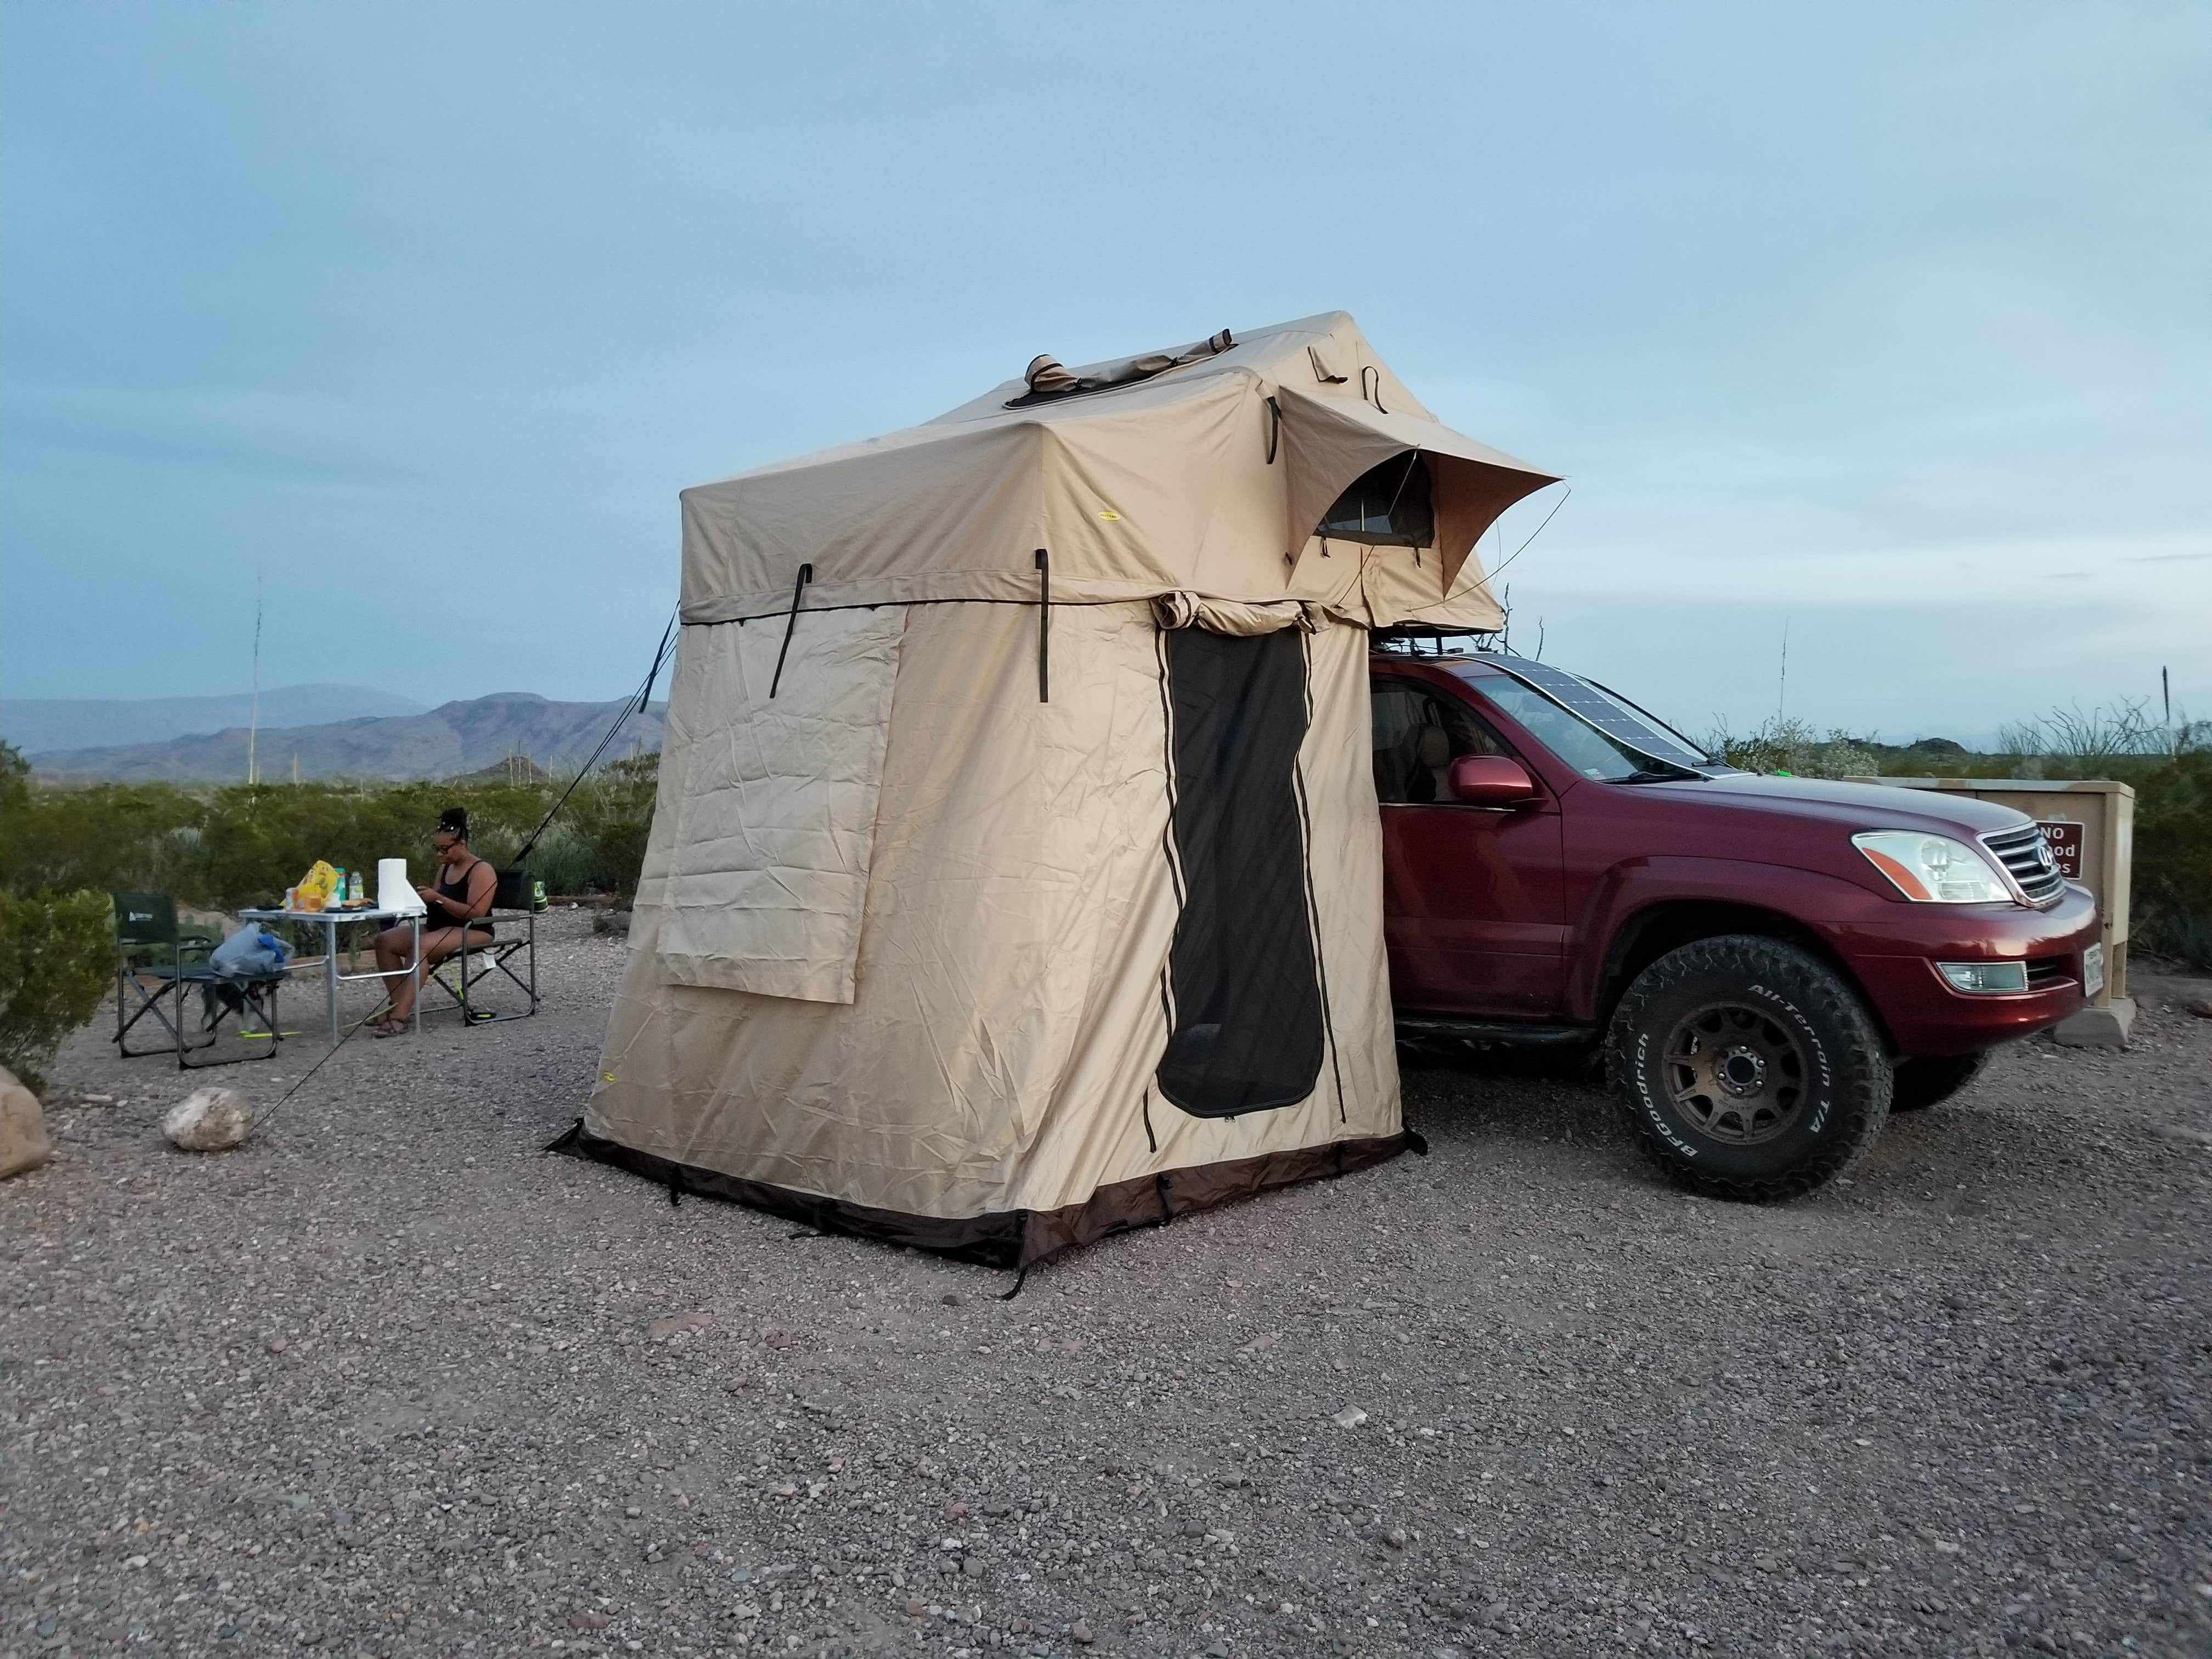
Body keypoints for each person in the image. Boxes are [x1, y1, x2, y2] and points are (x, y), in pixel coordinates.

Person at [368, 806, 495, 1036]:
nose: (440, 855)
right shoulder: (445, 869)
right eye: (436, 849)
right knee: (384, 941)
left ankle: (400, 1017)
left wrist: (439, 898)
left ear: (462, 844)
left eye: (444, 850)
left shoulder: (482, 870)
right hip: (438, 926)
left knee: (421, 946)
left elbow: (478, 913)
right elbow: (436, 903)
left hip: (472, 929)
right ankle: (397, 1003)